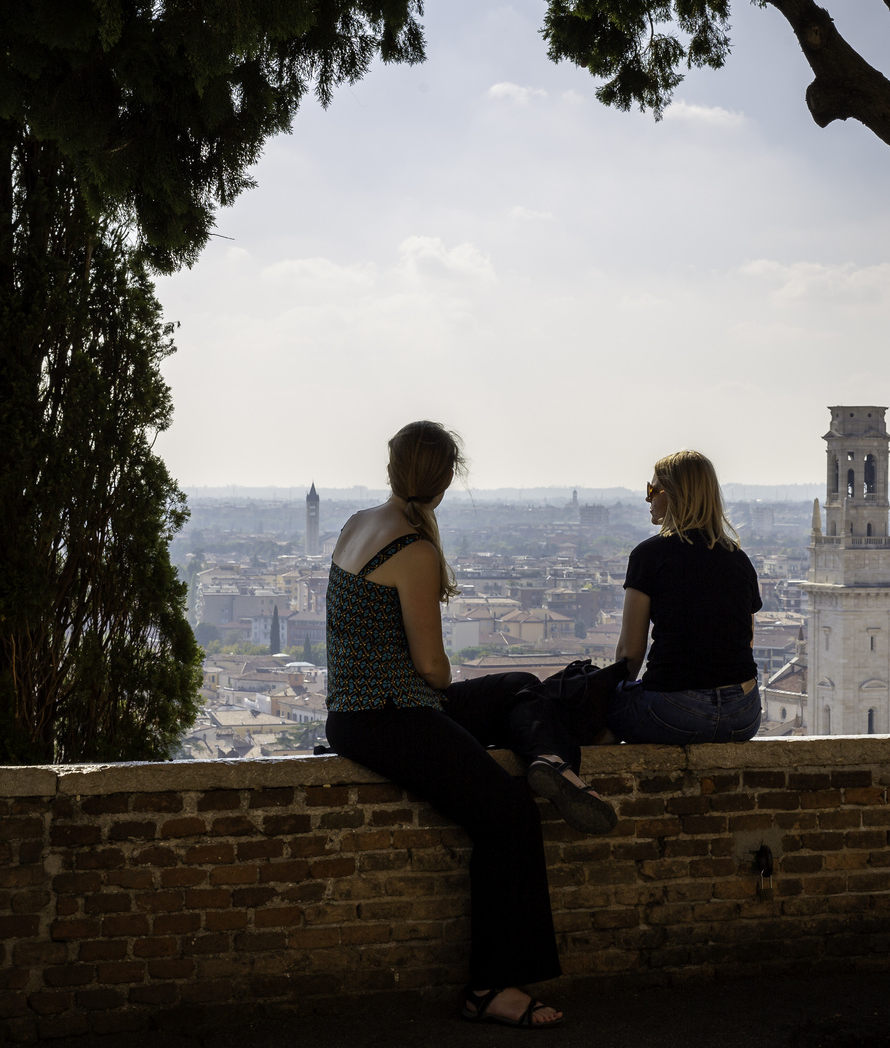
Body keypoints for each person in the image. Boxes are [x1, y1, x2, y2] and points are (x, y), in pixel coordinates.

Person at [324, 420, 615, 1029]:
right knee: (508, 817)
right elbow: (432, 669)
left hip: (363, 711)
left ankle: (550, 762)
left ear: (393, 467)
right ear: (446, 480)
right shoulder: (414, 549)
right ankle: (488, 989)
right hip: (390, 715)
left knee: (520, 686)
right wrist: (438, 685)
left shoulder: (358, 525)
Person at [606, 450, 763, 745]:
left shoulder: (648, 555)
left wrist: (617, 697)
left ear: (674, 494)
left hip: (674, 713)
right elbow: (747, 640)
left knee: (592, 705)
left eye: (652, 490)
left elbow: (630, 651)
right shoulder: (739, 559)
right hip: (744, 717)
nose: (648, 498)